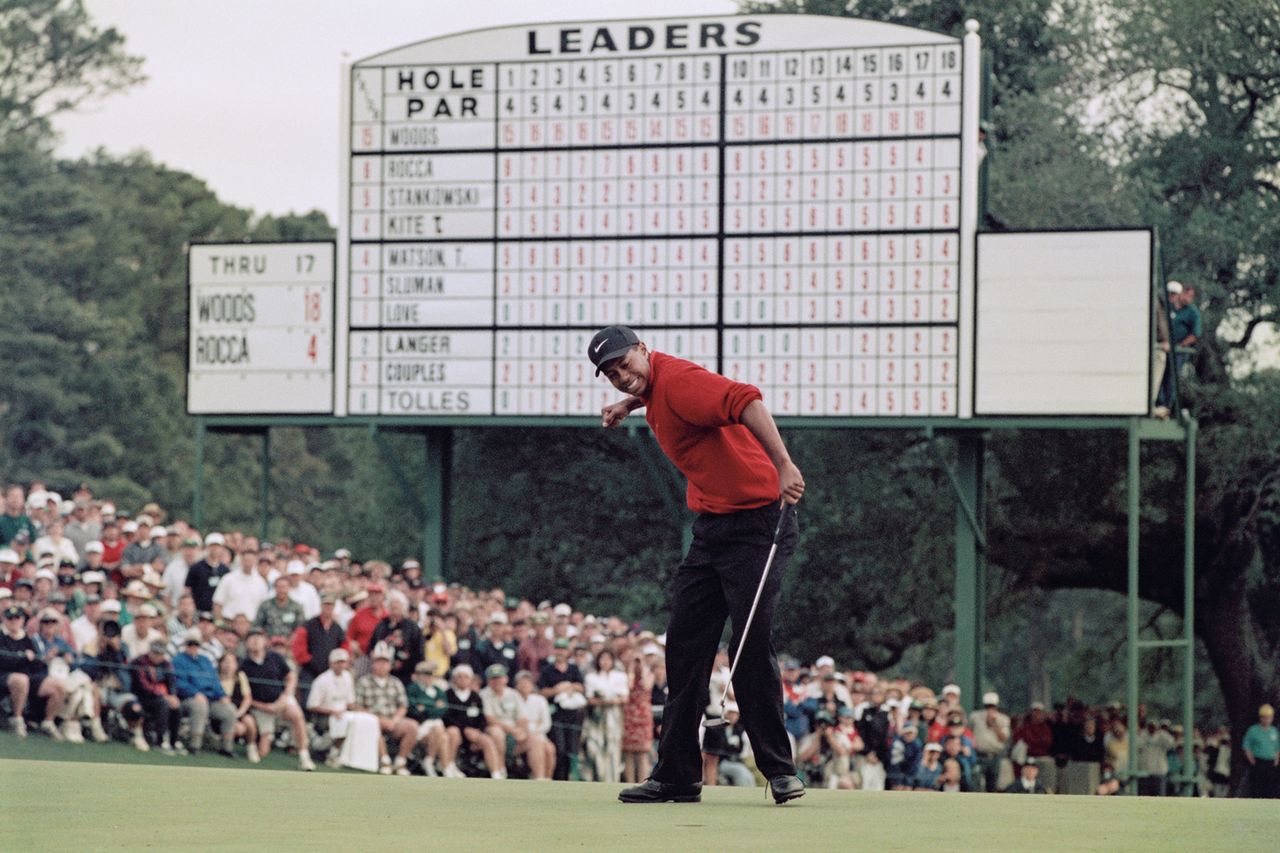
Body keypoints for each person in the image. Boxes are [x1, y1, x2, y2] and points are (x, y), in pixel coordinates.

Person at [590, 325, 806, 805]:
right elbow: (656, 393)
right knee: (685, 646)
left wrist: (784, 464)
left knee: (748, 646)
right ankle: (677, 777)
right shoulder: (655, 386)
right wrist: (629, 404)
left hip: (759, 524)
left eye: (625, 363)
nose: (621, 375)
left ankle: (779, 771)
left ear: (644, 349)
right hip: (712, 530)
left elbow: (746, 399)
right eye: (611, 374)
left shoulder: (681, 380)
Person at [239, 628, 315, 771]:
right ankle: (263, 739)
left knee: (296, 714)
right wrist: (265, 707)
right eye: (252, 637)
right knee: (263, 752)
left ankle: (304, 756)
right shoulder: (243, 665)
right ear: (246, 642)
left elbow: (291, 677)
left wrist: (286, 696)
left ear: (265, 641)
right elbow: (244, 695)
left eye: (259, 637)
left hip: (281, 700)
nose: (255, 640)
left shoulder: (275, 657)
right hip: (261, 708)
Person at [352, 641, 417, 776]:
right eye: (379, 662)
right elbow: (357, 706)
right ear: (373, 664)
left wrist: (394, 720)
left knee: (412, 726)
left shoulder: (396, 682)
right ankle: (384, 761)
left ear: (389, 665)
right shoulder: (363, 682)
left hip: (393, 720)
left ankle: (400, 762)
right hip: (372, 720)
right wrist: (378, 719)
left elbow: (403, 705)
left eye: (385, 662)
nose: (382, 665)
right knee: (373, 725)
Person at [172, 629, 238, 754]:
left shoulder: (205, 661)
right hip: (187, 699)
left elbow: (215, 681)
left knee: (230, 709)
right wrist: (195, 693)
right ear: (185, 645)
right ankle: (195, 745)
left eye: (196, 644)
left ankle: (226, 747)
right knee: (200, 706)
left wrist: (222, 695)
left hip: (210, 699)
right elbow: (179, 683)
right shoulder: (178, 660)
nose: (193, 647)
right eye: (190, 644)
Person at [441, 663, 503, 779]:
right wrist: (464, 729)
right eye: (459, 676)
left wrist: (478, 731)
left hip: (473, 732)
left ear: (470, 680)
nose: (462, 679)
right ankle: (450, 766)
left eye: (466, 677)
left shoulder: (475, 696)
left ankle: (496, 772)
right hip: (455, 730)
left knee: (487, 741)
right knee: (453, 733)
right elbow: (446, 717)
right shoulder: (447, 694)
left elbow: (481, 718)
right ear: (454, 679)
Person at [538, 636, 587, 781]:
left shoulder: (573, 668)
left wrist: (570, 687)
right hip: (556, 714)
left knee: (572, 749)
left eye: (563, 649)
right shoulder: (547, 670)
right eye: (558, 649)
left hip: (573, 715)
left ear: (567, 651)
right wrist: (556, 690)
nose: (560, 652)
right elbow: (542, 691)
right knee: (559, 748)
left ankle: (570, 778)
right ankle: (558, 778)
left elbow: (581, 687)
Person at [583, 648, 628, 783]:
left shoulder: (620, 676)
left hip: (614, 716)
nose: (605, 662)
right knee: (595, 747)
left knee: (613, 746)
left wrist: (612, 701)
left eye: (608, 659)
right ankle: (596, 778)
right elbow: (590, 699)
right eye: (602, 659)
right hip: (596, 717)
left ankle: (612, 778)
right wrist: (604, 701)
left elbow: (624, 698)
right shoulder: (591, 677)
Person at [131, 640, 183, 753]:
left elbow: (172, 682)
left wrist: (173, 695)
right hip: (143, 697)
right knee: (163, 704)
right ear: (150, 651)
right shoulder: (140, 662)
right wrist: (162, 694)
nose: (157, 656)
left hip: (161, 696)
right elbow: (143, 685)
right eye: (155, 653)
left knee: (176, 705)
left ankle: (174, 741)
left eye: (160, 654)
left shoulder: (166, 664)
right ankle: (160, 740)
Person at [406, 660, 449, 776]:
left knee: (442, 734)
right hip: (417, 728)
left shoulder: (438, 691)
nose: (429, 678)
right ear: (419, 675)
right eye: (426, 674)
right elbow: (414, 710)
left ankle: (433, 762)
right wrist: (434, 707)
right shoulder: (413, 689)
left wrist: (425, 708)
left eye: (431, 675)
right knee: (441, 733)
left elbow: (442, 711)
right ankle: (442, 766)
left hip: (433, 730)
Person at [216, 651, 260, 762]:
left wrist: (239, 713)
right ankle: (223, 745)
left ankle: (251, 747)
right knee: (239, 728)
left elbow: (247, 698)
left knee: (249, 721)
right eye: (225, 662)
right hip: (223, 713)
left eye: (231, 662)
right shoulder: (215, 678)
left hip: (238, 710)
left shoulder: (240, 676)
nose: (228, 665)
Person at [513, 669, 555, 780]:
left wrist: (535, 731)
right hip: (520, 737)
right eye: (521, 682)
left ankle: (547, 779)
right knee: (536, 744)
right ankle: (538, 777)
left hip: (539, 734)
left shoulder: (540, 700)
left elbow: (546, 723)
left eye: (527, 682)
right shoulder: (513, 699)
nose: (524, 685)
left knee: (550, 749)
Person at [622, 652, 655, 783]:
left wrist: (643, 668)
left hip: (643, 716)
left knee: (643, 753)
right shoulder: (626, 675)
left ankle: (642, 782)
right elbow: (629, 687)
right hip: (629, 715)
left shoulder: (649, 675)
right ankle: (630, 782)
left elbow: (646, 686)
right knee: (629, 753)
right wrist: (631, 670)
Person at [970, 691, 1011, 792]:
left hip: (994, 756)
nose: (990, 709)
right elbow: (968, 731)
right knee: (976, 784)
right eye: (988, 706)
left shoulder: (1003, 719)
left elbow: (1003, 738)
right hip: (979, 755)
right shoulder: (975, 716)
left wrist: (994, 723)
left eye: (992, 706)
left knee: (992, 786)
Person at [1242, 704, 1279, 798]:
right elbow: (1246, 746)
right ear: (1260, 718)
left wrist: (1276, 760)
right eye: (1264, 717)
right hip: (1258, 761)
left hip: (1270, 762)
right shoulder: (1253, 730)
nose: (1266, 720)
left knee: (1270, 787)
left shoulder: (1274, 731)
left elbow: (1277, 747)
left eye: (1269, 717)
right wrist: (1251, 760)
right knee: (1257, 786)